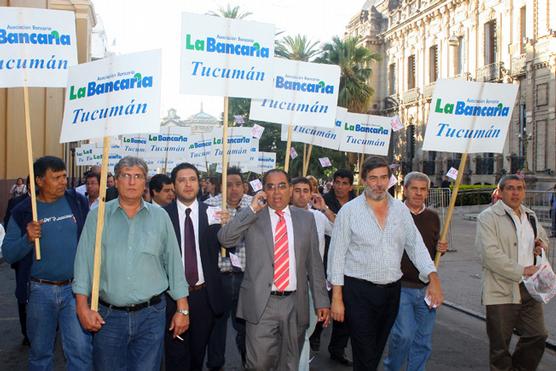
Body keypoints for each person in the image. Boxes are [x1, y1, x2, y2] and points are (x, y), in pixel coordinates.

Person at [73, 156, 189, 370]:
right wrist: (82, 307)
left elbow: (173, 263)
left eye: (138, 176)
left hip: (151, 317)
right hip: (107, 317)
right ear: (115, 181)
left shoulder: (160, 217)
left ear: (145, 182)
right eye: (126, 176)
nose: (132, 181)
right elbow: (83, 263)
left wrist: (182, 309)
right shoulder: (98, 216)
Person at [327, 156, 443, 371]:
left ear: (389, 180)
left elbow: (416, 247)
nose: (378, 183)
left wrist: (433, 278)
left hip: (391, 292)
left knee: (378, 347)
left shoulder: (400, 210)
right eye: (373, 178)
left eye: (383, 178)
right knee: (364, 349)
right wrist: (337, 298)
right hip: (357, 291)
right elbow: (336, 256)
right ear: (363, 180)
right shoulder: (349, 212)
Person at [218, 169, 330, 371]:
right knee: (258, 364)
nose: (276, 192)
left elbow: (314, 264)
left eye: (282, 186)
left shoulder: (305, 219)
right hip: (261, 303)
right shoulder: (253, 217)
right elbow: (225, 239)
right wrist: (250, 210)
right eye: (270, 187)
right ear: (263, 191)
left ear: (290, 189)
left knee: (288, 363)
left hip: (295, 303)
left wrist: (322, 300)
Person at [2, 156, 92, 370]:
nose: (63, 182)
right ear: (40, 181)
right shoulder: (22, 211)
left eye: (64, 176)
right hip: (39, 291)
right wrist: (27, 239)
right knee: (40, 354)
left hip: (75, 290)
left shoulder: (77, 202)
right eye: (56, 177)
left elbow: (90, 241)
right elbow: (8, 254)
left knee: (80, 352)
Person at [475, 174, 549, 371]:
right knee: (500, 347)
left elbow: (543, 238)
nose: (515, 192)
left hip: (529, 289)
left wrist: (540, 246)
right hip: (501, 289)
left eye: (520, 188)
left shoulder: (530, 215)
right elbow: (489, 255)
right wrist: (521, 270)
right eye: (510, 188)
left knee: (537, 334)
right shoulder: (487, 217)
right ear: (500, 192)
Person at [383, 171, 448, 371]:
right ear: (405, 189)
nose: (418, 193)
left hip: (426, 288)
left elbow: (430, 252)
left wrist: (440, 250)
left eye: (423, 189)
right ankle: (392, 367)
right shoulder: (392, 215)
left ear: (427, 192)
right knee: (404, 334)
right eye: (414, 188)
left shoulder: (433, 217)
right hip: (400, 286)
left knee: (423, 340)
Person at [163, 162, 224, 371]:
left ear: (199, 183)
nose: (188, 184)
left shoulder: (215, 213)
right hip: (172, 297)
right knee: (175, 356)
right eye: (181, 180)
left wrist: (229, 226)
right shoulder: (161, 215)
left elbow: (229, 247)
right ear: (173, 185)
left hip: (203, 297)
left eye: (192, 179)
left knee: (197, 356)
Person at [205, 167, 252, 370]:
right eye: (228, 185)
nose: (233, 189)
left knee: (246, 327)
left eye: (237, 184)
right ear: (220, 187)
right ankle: (216, 365)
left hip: (247, 277)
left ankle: (249, 363)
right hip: (219, 276)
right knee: (217, 327)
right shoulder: (209, 206)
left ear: (245, 186)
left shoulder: (256, 205)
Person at [311, 169, 355, 365]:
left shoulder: (358, 204)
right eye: (337, 182)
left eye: (345, 183)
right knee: (323, 304)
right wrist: (324, 209)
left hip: (351, 264)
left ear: (351, 186)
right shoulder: (323, 200)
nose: (340, 187)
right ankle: (314, 337)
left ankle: (338, 349)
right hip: (326, 262)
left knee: (346, 309)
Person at [290, 177, 334, 371]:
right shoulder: (282, 216)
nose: (301, 195)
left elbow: (342, 230)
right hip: (288, 284)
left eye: (305, 190)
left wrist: (324, 208)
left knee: (306, 331)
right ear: (290, 192)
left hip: (312, 284)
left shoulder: (318, 217)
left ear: (311, 194)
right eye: (297, 190)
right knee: (293, 333)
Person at [3, 176, 32, 346]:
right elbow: (8, 224)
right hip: (22, 258)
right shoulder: (16, 203)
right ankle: (25, 331)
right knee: (23, 293)